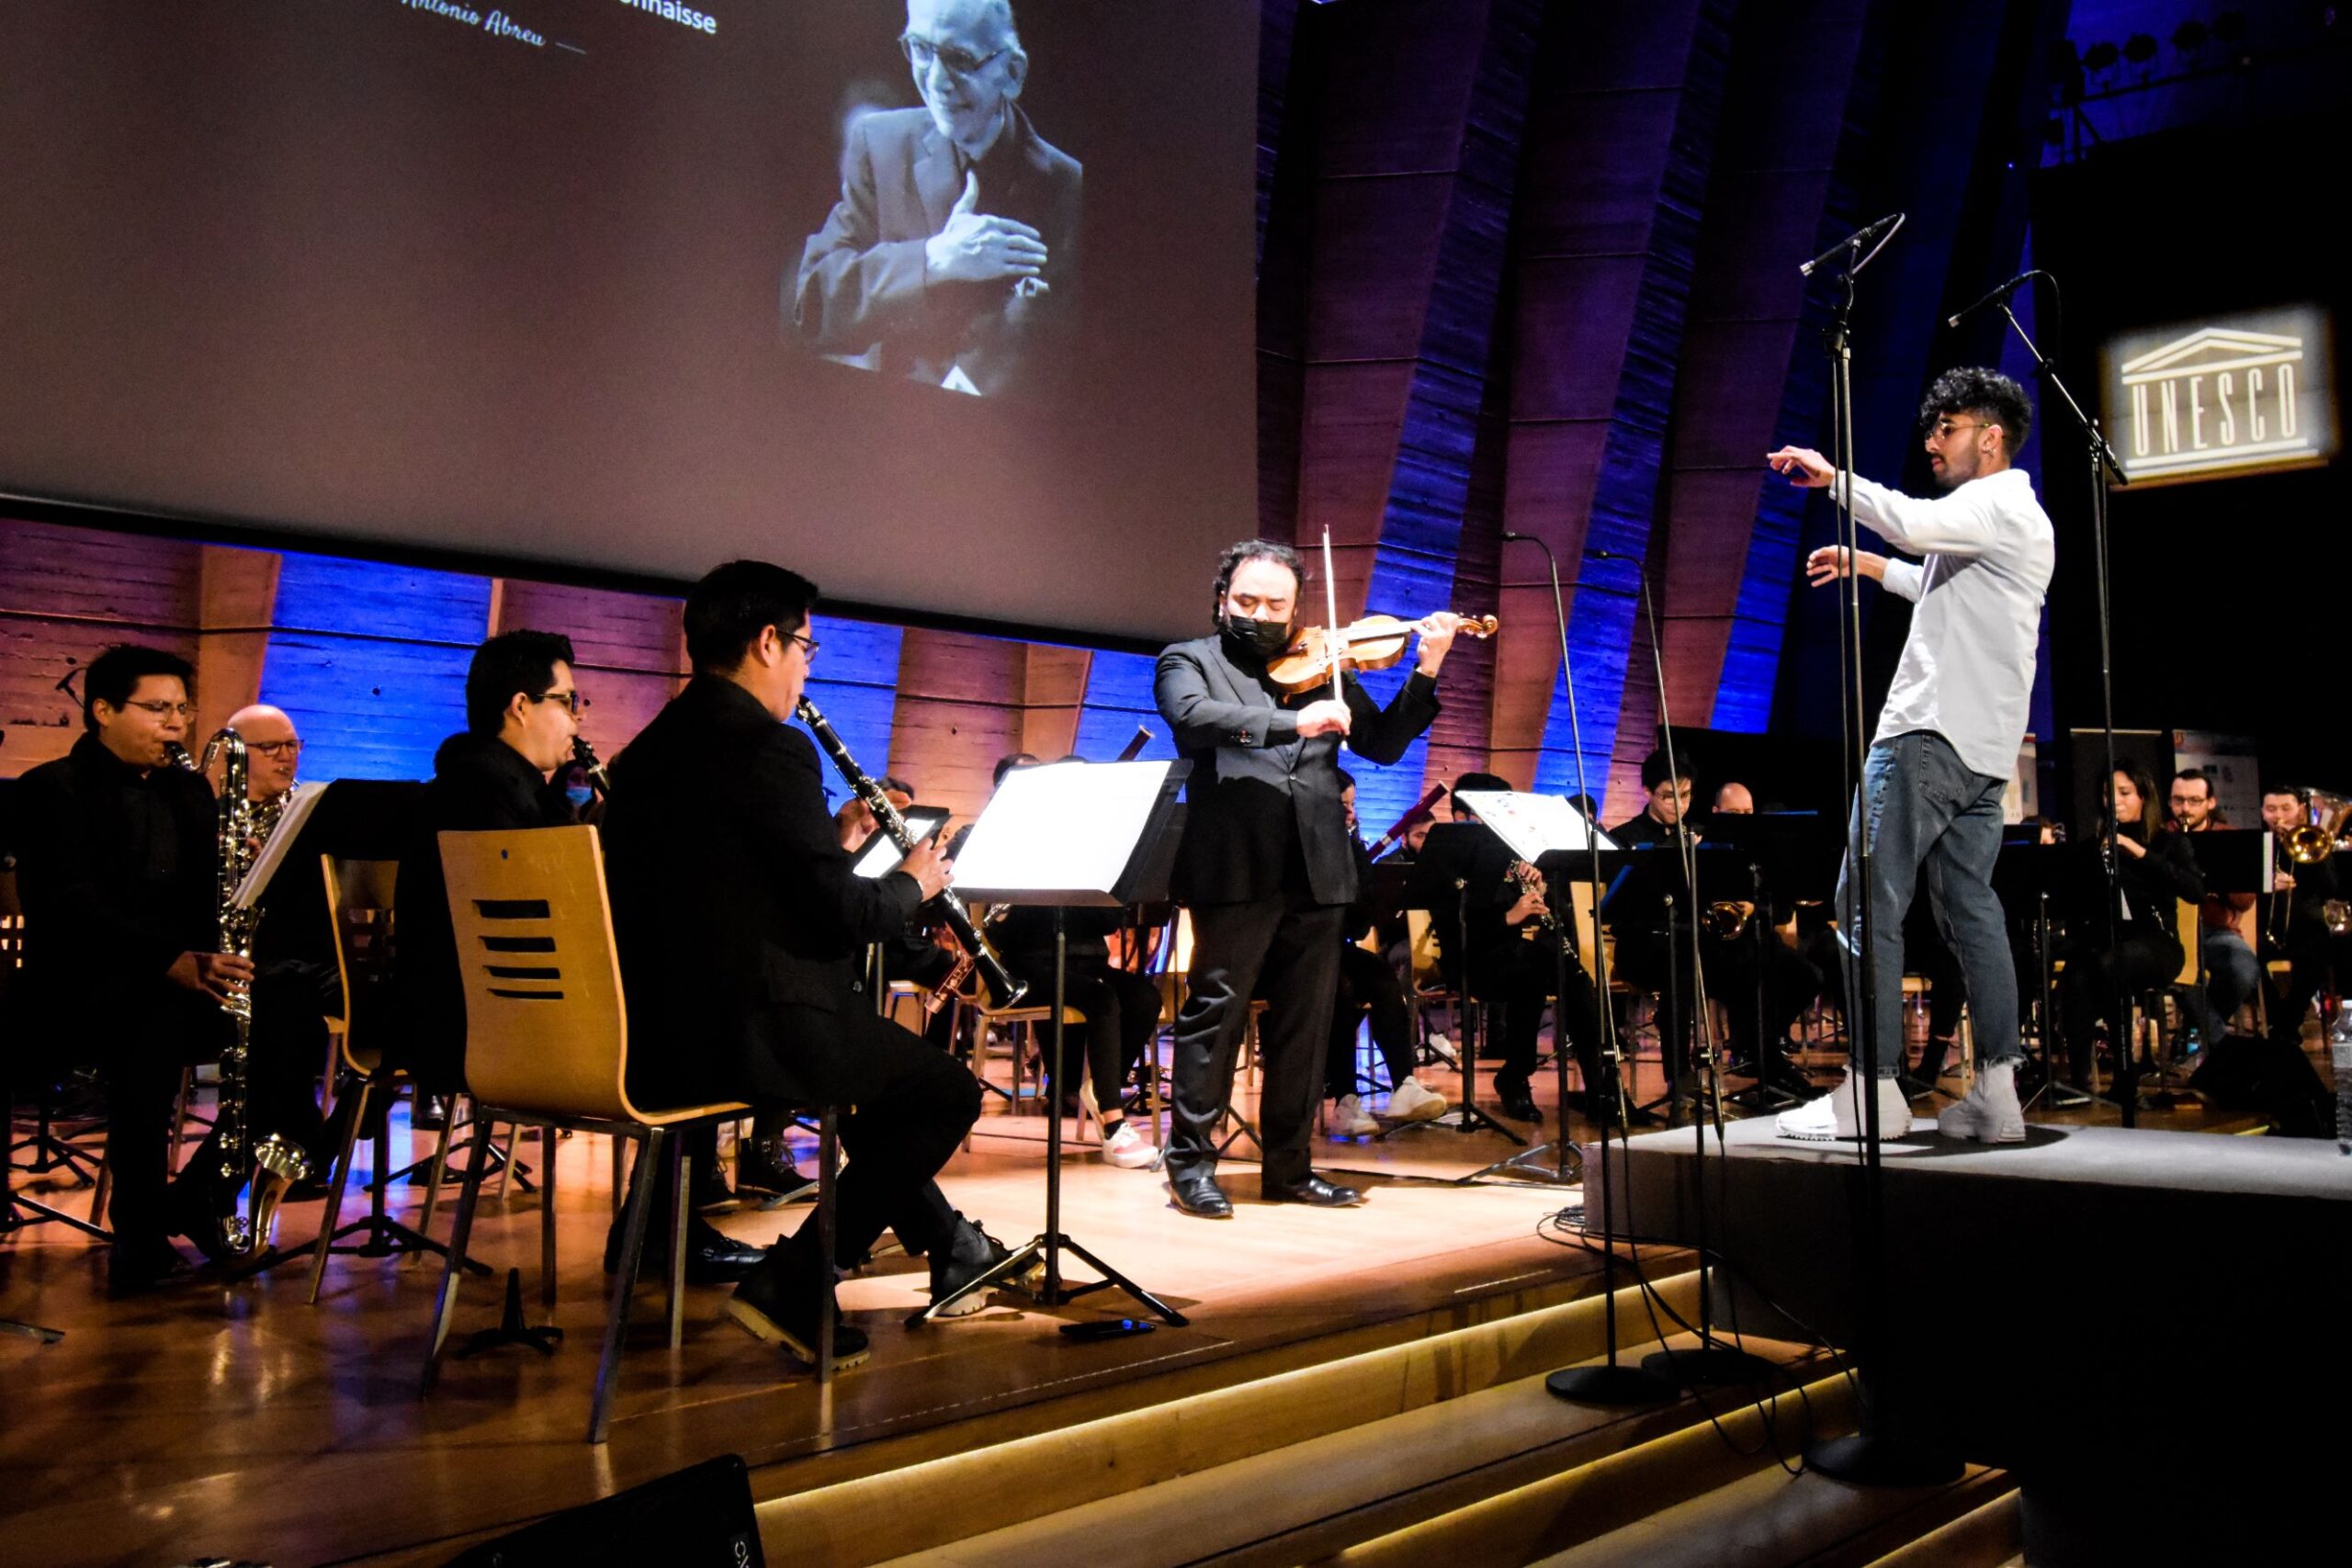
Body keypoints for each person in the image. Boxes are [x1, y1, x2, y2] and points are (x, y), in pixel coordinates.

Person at [601, 560, 1008, 1369]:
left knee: (870, 1078)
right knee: (944, 1090)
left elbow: (744, 888)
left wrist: (835, 848)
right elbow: (837, 915)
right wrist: (912, 882)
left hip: (650, 1038)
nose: (803, 669)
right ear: (766, 642)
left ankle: (943, 1241)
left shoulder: (640, 757)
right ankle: (801, 1273)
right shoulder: (771, 748)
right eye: (806, 649)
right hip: (746, 1036)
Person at [1766, 367, 2055, 1143]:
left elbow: (1916, 527)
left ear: (1990, 438)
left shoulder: (1985, 500)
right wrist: (1868, 567)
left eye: (1948, 429)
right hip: (1984, 754)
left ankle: (1872, 1091)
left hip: (1925, 735)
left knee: (1866, 904)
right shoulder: (2022, 516)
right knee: (1973, 911)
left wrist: (1834, 478)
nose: (1933, 441)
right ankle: (1997, 1093)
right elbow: (1939, 577)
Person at [1153, 540, 1462, 1218]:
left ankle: (1290, 1167)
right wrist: (1292, 719)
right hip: (1237, 863)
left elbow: (1380, 744)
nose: (1260, 614)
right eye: (1246, 601)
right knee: (1217, 1013)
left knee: (1308, 1022)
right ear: (1221, 597)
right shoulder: (1189, 659)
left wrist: (1427, 668)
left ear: (1298, 607)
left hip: (1319, 863)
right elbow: (1194, 719)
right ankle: (1190, 1165)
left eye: (1275, 604)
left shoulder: (1326, 661)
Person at [9, 647, 243, 1294]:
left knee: (292, 1023)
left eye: (181, 709)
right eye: (157, 708)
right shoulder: (50, 789)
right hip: (81, 985)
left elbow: (204, 899)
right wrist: (165, 959)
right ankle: (138, 1235)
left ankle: (196, 1196)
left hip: (179, 975)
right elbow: (65, 904)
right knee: (152, 1024)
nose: (175, 723)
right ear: (103, 710)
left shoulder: (190, 788)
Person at [791, 0, 1080, 399]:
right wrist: (933, 259)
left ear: (1013, 73)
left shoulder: (1067, 188)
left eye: (960, 59)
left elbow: (1050, 352)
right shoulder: (880, 145)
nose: (938, 82)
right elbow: (811, 307)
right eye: (922, 50)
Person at [983, 753, 1169, 1168]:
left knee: (1142, 997)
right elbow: (1000, 932)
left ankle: (1100, 1085)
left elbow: (1107, 921)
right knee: (1101, 999)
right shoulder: (1015, 841)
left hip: (1085, 962)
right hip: (1030, 965)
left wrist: (1100, 880)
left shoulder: (1093, 844)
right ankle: (1113, 1127)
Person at [1422, 773, 1611, 1122]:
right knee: (1532, 975)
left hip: (1510, 954)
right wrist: (1510, 916)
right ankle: (1515, 1076)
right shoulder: (1446, 854)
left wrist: (1541, 892)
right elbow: (1454, 923)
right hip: (1469, 958)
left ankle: (1600, 1085)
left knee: (1575, 975)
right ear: (1464, 817)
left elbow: (1536, 914)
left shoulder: (1506, 853)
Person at [2056, 764, 2203, 1093]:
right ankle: (2080, 1078)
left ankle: (2126, 1068)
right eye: (2109, 794)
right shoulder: (2092, 846)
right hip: (2105, 940)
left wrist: (2140, 854)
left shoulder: (2168, 842)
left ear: (2144, 797)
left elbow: (2195, 890)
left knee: (2112, 962)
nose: (2115, 802)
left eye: (2124, 793)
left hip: (2157, 943)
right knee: (2078, 974)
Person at [1326, 772, 1446, 1134]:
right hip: (1298, 951)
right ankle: (1346, 1099)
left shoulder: (1351, 844)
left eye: (1352, 805)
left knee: (1381, 978)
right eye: (1341, 805)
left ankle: (1404, 1084)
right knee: (1342, 987)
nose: (1349, 813)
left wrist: (1355, 851)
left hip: (1335, 944)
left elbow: (1360, 922)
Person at [2169, 768, 2262, 1046]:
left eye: (2194, 801)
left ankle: (2197, 1032)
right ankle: (2219, 1045)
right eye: (2178, 800)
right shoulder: (2160, 837)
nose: (2185, 808)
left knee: (2243, 970)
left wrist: (2217, 880)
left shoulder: (2230, 838)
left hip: (2216, 931)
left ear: (2211, 802)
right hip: (2172, 933)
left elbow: (2245, 902)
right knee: (2180, 973)